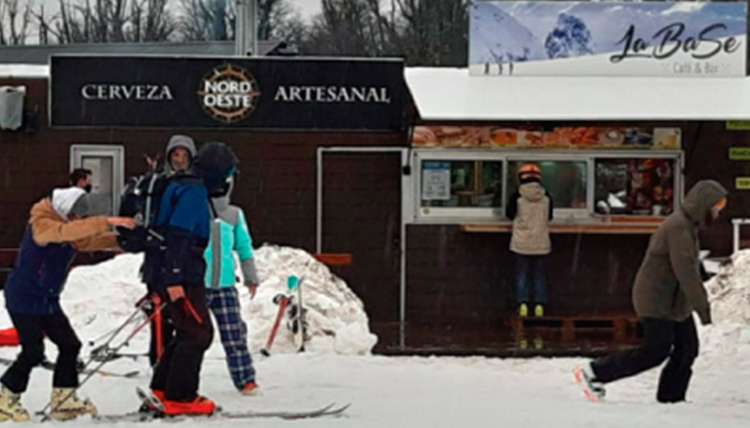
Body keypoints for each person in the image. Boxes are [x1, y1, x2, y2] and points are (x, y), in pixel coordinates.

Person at [575, 180, 728, 403]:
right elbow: (686, 272)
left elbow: (691, 266)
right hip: (656, 300)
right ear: (704, 205)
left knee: (687, 349)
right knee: (656, 351)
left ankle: (671, 398)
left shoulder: (688, 226)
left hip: (675, 302)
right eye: (716, 207)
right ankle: (595, 372)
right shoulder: (678, 228)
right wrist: (703, 307)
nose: (718, 212)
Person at [0, 186, 135, 421]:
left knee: (70, 345)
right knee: (33, 352)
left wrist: (124, 241)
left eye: (80, 217)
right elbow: (64, 233)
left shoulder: (66, 228)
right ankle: (4, 398)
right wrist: (107, 220)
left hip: (46, 300)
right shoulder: (42, 223)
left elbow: (85, 241)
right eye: (75, 215)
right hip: (23, 298)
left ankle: (64, 400)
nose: (77, 220)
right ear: (64, 211)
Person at [145, 141, 238, 416]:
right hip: (182, 272)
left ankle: (163, 388)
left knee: (187, 330)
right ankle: (180, 397)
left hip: (175, 269)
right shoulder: (194, 192)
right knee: (198, 334)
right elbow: (178, 235)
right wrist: (174, 278)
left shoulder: (184, 184)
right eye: (228, 174)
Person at [141, 134, 198, 367]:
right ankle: (159, 361)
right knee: (162, 316)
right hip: (160, 257)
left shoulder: (195, 184)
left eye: (185, 155)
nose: (180, 160)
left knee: (181, 317)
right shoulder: (162, 184)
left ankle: (171, 364)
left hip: (186, 259)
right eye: (176, 154)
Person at [203, 176, 260, 395]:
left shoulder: (234, 214)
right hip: (197, 284)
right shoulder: (197, 211)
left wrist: (251, 277)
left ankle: (245, 379)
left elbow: (244, 248)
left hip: (225, 286)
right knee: (192, 338)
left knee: (234, 333)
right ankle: (182, 384)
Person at [506, 163, 553, 318]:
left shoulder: (517, 197)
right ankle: (540, 306)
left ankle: (523, 305)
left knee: (522, 275)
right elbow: (550, 217)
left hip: (521, 243)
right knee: (539, 275)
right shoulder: (546, 198)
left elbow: (509, 214)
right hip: (541, 242)